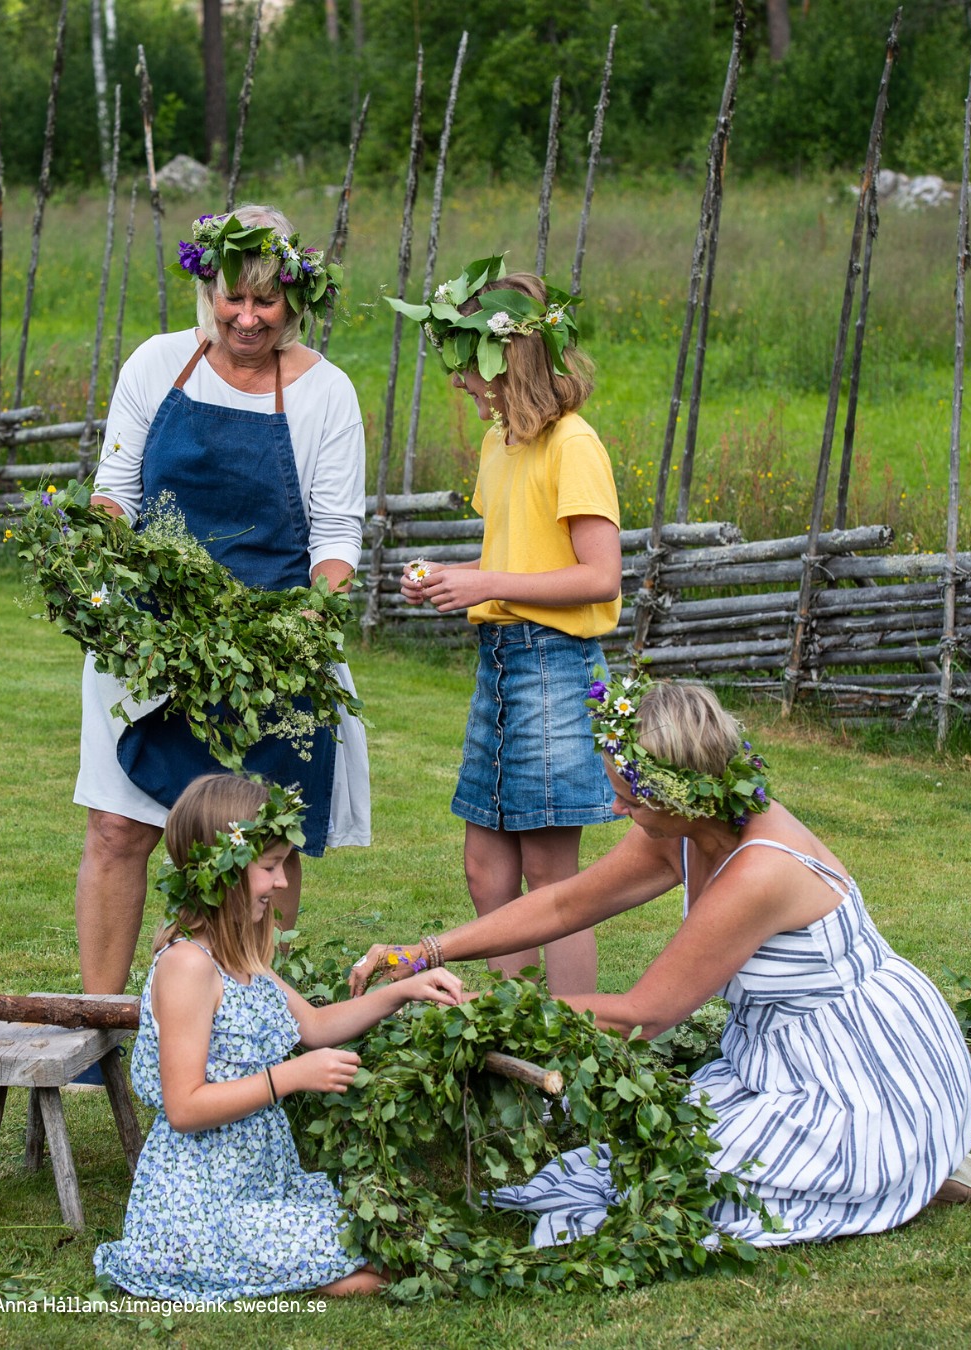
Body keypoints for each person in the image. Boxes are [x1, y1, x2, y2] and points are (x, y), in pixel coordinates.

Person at [349, 675, 971, 1245]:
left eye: (629, 799)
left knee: (671, 1186)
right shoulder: (692, 827)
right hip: (778, 1054)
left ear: (677, 792)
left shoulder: (760, 872)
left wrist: (485, 1012)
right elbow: (561, 906)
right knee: (629, 1164)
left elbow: (642, 1015)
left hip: (863, 1068)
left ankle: (907, 1151)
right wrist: (425, 952)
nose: (616, 809)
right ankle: (902, 1160)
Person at [75, 204, 369, 998]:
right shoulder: (157, 364)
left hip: (268, 651)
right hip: (151, 638)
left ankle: (240, 1024)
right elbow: (116, 491)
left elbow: (337, 534)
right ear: (206, 288)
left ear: (293, 301)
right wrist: (97, 576)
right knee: (118, 827)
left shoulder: (324, 394)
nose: (245, 318)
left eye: (264, 302)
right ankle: (100, 1027)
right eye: (230, 299)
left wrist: (308, 624)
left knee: (259, 847)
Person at [94, 773, 463, 1300]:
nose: (283, 882)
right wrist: (288, 1078)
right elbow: (184, 1106)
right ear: (222, 872)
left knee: (393, 1232)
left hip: (260, 1182)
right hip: (203, 1203)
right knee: (387, 1266)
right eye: (269, 867)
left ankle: (300, 1270)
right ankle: (280, 1276)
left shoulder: (242, 956)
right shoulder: (187, 968)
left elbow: (313, 1027)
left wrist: (403, 992)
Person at [386, 256, 622, 996]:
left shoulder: (573, 444)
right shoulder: (502, 441)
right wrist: (452, 582)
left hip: (555, 665)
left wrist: (486, 584)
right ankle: (509, 1029)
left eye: (465, 362)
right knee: (486, 871)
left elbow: (599, 577)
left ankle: (570, 1049)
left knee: (555, 879)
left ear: (507, 356)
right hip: (500, 661)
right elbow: (521, 549)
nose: (457, 381)